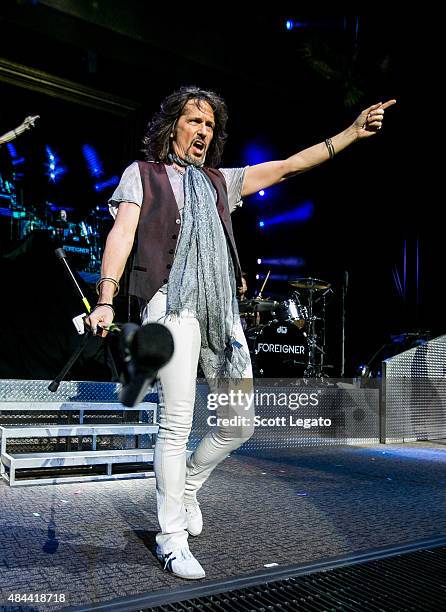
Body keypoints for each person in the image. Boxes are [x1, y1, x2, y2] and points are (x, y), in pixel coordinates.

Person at [85, 86, 396, 580]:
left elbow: (290, 165)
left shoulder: (219, 184)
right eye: (194, 121)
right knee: (176, 423)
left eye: (210, 125)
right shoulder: (141, 175)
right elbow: (121, 235)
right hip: (170, 302)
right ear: (172, 127)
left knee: (239, 423)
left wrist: (352, 134)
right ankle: (170, 537)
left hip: (220, 307)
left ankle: (187, 486)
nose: (203, 132)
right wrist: (105, 298)